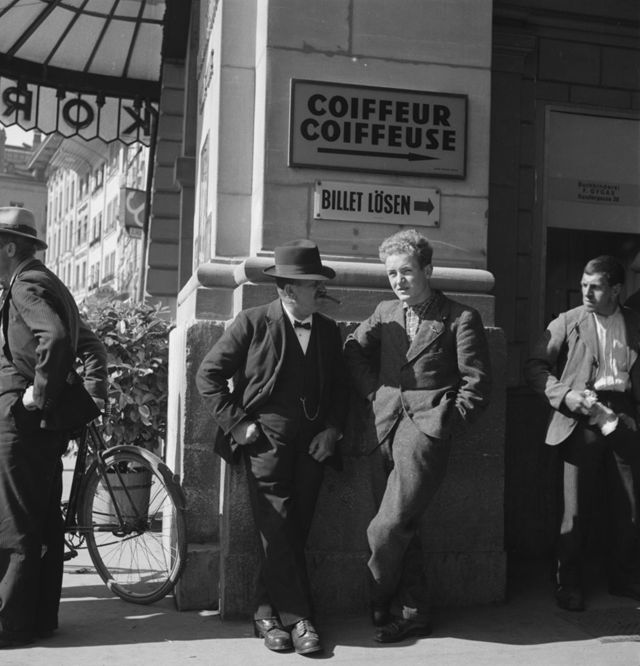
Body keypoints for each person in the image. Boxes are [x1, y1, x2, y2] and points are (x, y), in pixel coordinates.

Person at [196, 239, 348, 655]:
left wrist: (332, 431)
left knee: (292, 531)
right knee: (278, 526)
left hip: (313, 445)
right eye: (312, 284)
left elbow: (341, 390)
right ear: (288, 289)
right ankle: (300, 619)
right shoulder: (252, 322)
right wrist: (238, 423)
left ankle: (265, 614)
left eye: (319, 282)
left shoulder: (328, 331)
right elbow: (208, 375)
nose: (320, 290)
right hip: (264, 442)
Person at [344, 228, 491, 643]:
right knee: (405, 526)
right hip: (382, 426)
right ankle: (413, 612)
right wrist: (373, 392)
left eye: (406, 271)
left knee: (385, 528)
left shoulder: (460, 317)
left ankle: (378, 593)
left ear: (428, 269)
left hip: (426, 430)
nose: (399, 281)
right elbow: (353, 349)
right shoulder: (385, 311)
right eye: (392, 273)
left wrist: (446, 423)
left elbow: (477, 384)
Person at [0, 207, 108, 648]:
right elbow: (83, 341)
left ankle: (9, 625)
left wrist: (37, 394)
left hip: (21, 420)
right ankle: (40, 618)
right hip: (40, 425)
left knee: (14, 523)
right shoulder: (48, 281)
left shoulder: (24, 284)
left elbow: (57, 338)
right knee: (43, 520)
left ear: (10, 248)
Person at [525, 255, 640, 612]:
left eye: (596, 287)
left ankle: (624, 578)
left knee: (630, 504)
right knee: (575, 506)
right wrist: (565, 396)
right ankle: (569, 582)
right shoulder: (568, 321)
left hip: (624, 416)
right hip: (580, 417)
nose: (586, 293)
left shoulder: (635, 323)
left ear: (616, 289)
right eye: (583, 285)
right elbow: (535, 366)